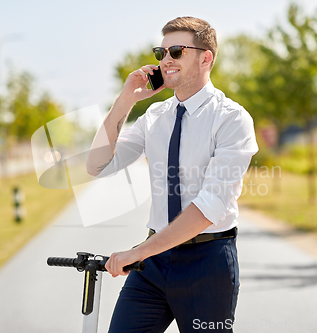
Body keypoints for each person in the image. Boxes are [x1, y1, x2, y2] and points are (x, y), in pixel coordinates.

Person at [86, 16, 258, 332]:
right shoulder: (155, 115)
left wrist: (137, 252)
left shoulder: (232, 119)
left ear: (206, 58)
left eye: (176, 51)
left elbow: (210, 205)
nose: (166, 60)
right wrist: (125, 100)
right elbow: (97, 164)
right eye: (161, 52)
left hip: (208, 263)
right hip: (152, 266)